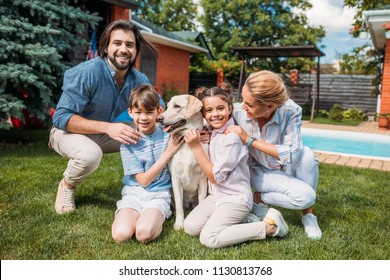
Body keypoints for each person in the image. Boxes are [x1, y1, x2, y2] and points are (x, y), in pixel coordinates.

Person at [49, 20, 164, 214]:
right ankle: (67, 186)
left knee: (154, 132)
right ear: (105, 47)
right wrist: (108, 127)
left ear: (136, 50)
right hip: (66, 133)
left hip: (104, 133)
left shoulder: (139, 80)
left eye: (129, 45)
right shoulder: (86, 73)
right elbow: (61, 118)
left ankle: (151, 189)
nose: (123, 49)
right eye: (117, 43)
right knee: (90, 154)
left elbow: (161, 109)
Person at [183, 83, 288, 249]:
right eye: (209, 111)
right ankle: (245, 220)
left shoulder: (231, 138)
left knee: (209, 238)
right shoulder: (214, 131)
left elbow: (215, 177)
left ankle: (270, 227)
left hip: (235, 199)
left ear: (230, 109)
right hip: (217, 197)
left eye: (220, 108)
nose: (215, 114)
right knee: (190, 227)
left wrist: (196, 147)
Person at [224, 70, 322, 240]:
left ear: (270, 105)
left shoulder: (291, 110)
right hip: (259, 170)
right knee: (306, 196)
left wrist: (249, 140)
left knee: (307, 155)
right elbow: (212, 118)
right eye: (242, 99)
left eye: (249, 104)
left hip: (287, 165)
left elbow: (292, 153)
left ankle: (307, 215)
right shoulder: (238, 112)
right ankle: (262, 196)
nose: (243, 106)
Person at [111, 85, 183, 243]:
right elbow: (143, 180)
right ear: (130, 112)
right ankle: (134, 215)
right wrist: (168, 153)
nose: (143, 118)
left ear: (159, 111)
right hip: (133, 193)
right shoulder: (128, 142)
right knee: (121, 235)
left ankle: (154, 216)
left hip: (159, 195)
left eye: (149, 112)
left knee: (143, 234)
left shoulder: (169, 134)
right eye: (138, 112)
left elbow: (194, 127)